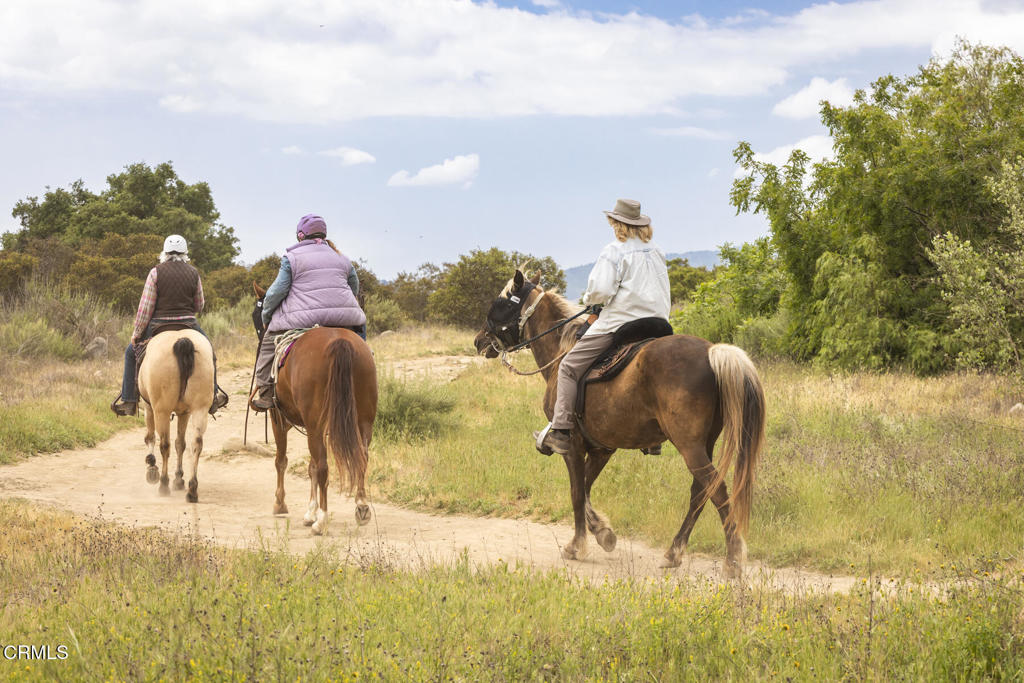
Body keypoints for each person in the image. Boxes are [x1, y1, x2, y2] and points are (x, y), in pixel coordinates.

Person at [535, 198, 671, 455]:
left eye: (613, 223)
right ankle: (654, 438)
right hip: (659, 324)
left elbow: (600, 291)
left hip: (622, 323)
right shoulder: (657, 250)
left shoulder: (614, 251)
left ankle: (561, 430)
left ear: (618, 224)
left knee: (568, 367)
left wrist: (590, 301)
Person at [250, 214, 366, 412]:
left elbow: (277, 292)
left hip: (303, 320)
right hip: (344, 318)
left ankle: (266, 392)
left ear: (300, 235)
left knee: (268, 343)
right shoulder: (343, 258)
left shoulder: (292, 258)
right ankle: (365, 363)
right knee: (360, 338)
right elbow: (353, 287)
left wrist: (266, 316)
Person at [111, 234, 229, 417]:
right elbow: (200, 305)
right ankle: (212, 396)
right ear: (185, 253)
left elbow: (145, 308)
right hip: (188, 323)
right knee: (210, 352)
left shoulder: (155, 272)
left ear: (164, 252)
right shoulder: (194, 273)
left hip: (159, 324)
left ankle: (129, 400)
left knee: (130, 353)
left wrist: (137, 333)